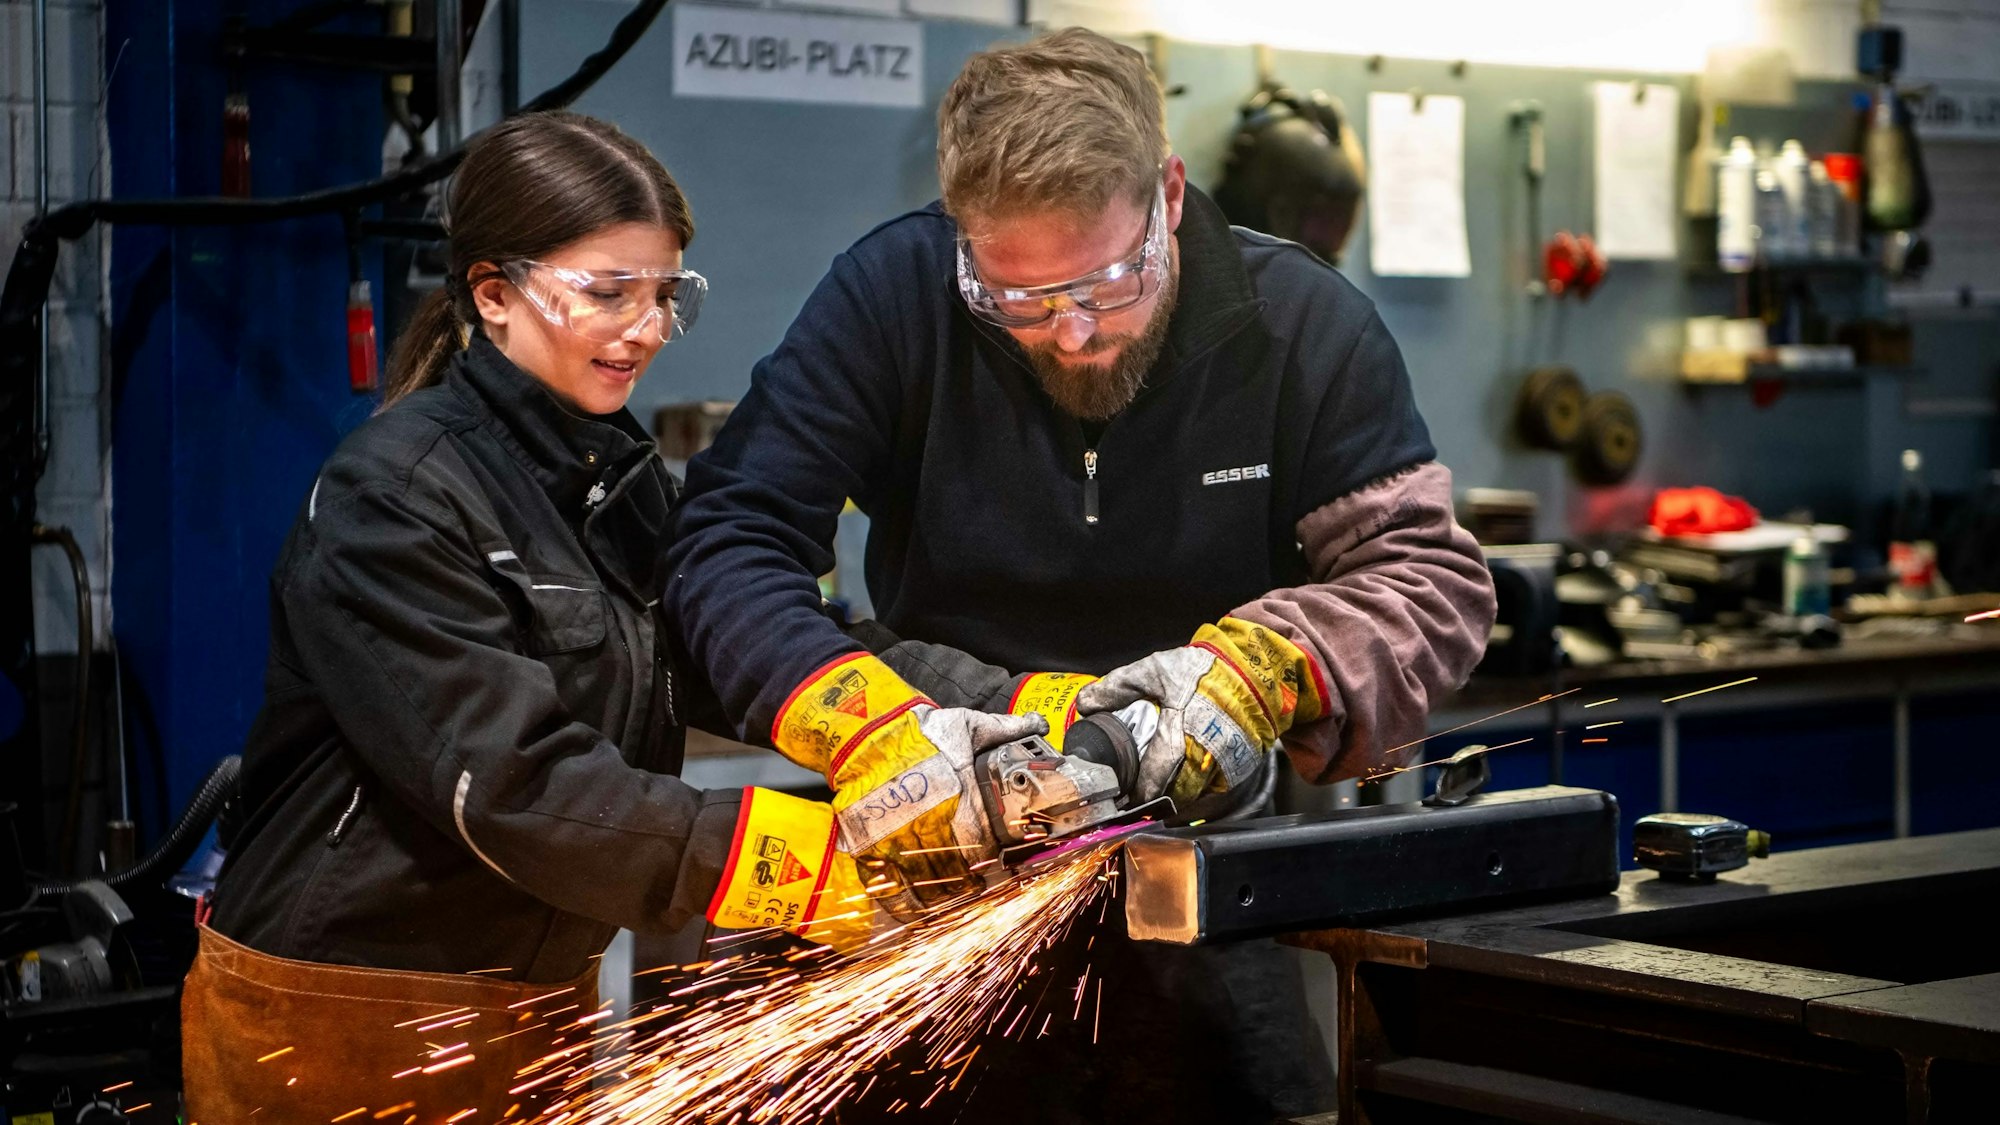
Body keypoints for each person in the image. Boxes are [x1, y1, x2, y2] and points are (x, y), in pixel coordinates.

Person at [665, 28, 1498, 1124]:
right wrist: (869, 727)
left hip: (1196, 871)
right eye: (1017, 299)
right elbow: (728, 537)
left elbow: (1424, 578)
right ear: (962, 232)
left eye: (1110, 282)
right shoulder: (894, 295)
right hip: (948, 864)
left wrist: (1255, 674)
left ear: (1165, 190)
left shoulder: (1298, 322)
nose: (1072, 334)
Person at [183, 110, 991, 1119]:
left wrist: (988, 716)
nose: (647, 328)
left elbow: (737, 642)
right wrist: (822, 867)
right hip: (347, 1010)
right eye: (609, 293)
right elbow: (524, 788)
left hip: (533, 1008)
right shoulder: (393, 496)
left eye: (665, 295)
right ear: (493, 293)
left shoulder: (613, 484)